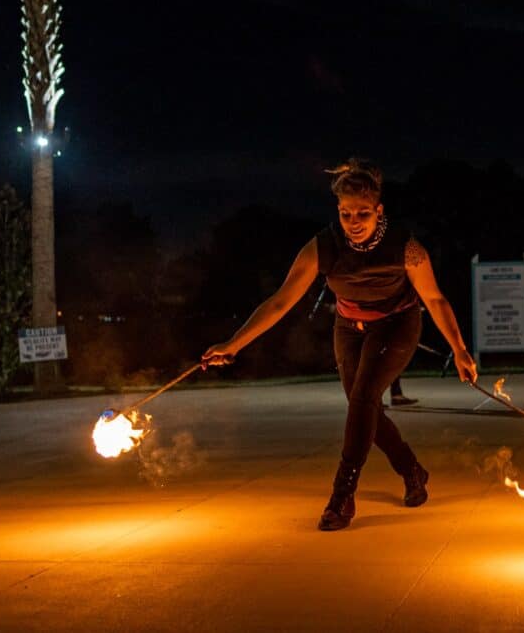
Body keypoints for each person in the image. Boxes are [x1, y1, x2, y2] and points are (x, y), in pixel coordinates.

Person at [202, 158, 478, 531]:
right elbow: (281, 302)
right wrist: (234, 344)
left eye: (363, 213)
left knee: (364, 398)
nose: (354, 222)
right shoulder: (322, 247)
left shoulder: (406, 248)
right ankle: (412, 471)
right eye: (346, 214)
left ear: (378, 210)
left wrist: (460, 350)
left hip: (397, 325)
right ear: (338, 211)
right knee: (363, 408)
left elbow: (436, 300)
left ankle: (342, 496)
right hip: (349, 327)